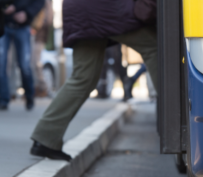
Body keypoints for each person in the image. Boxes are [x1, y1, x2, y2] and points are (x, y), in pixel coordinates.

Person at [30, 0, 157, 161]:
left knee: (83, 77)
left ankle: (45, 138)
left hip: (81, 11)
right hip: (105, 9)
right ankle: (175, 112)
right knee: (156, 47)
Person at [0, 0, 45, 110]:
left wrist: (26, 13)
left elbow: (39, 2)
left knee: (24, 65)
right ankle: (3, 99)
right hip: (3, 25)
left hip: (23, 26)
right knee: (1, 64)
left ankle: (29, 96)